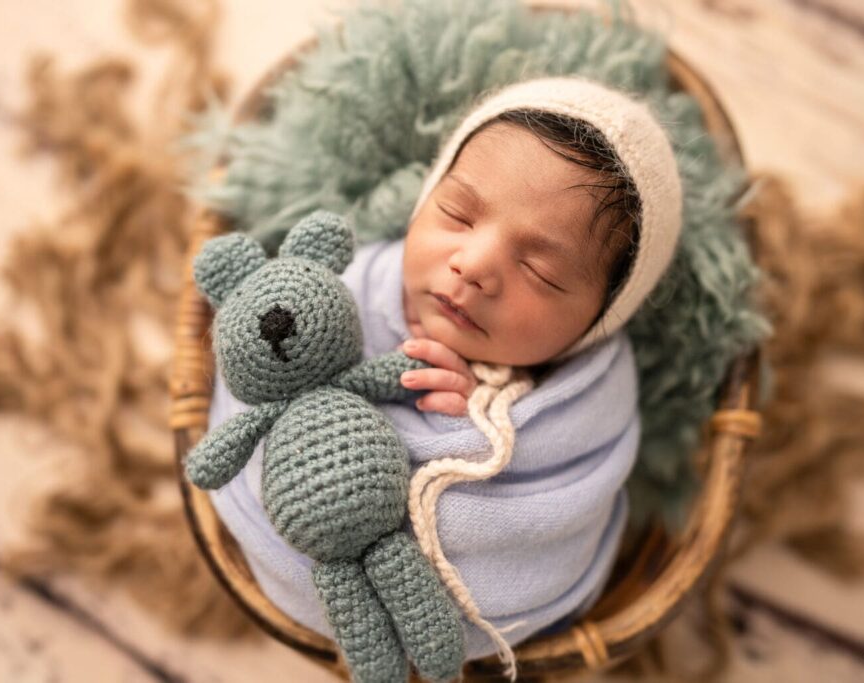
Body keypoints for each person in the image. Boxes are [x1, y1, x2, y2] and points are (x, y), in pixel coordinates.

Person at [207, 76, 682, 663]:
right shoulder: (349, 287)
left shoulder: (583, 395)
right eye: (457, 214)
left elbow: (547, 490)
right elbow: (276, 384)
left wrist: (481, 408)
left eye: (542, 272)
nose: (474, 265)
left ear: (596, 322)